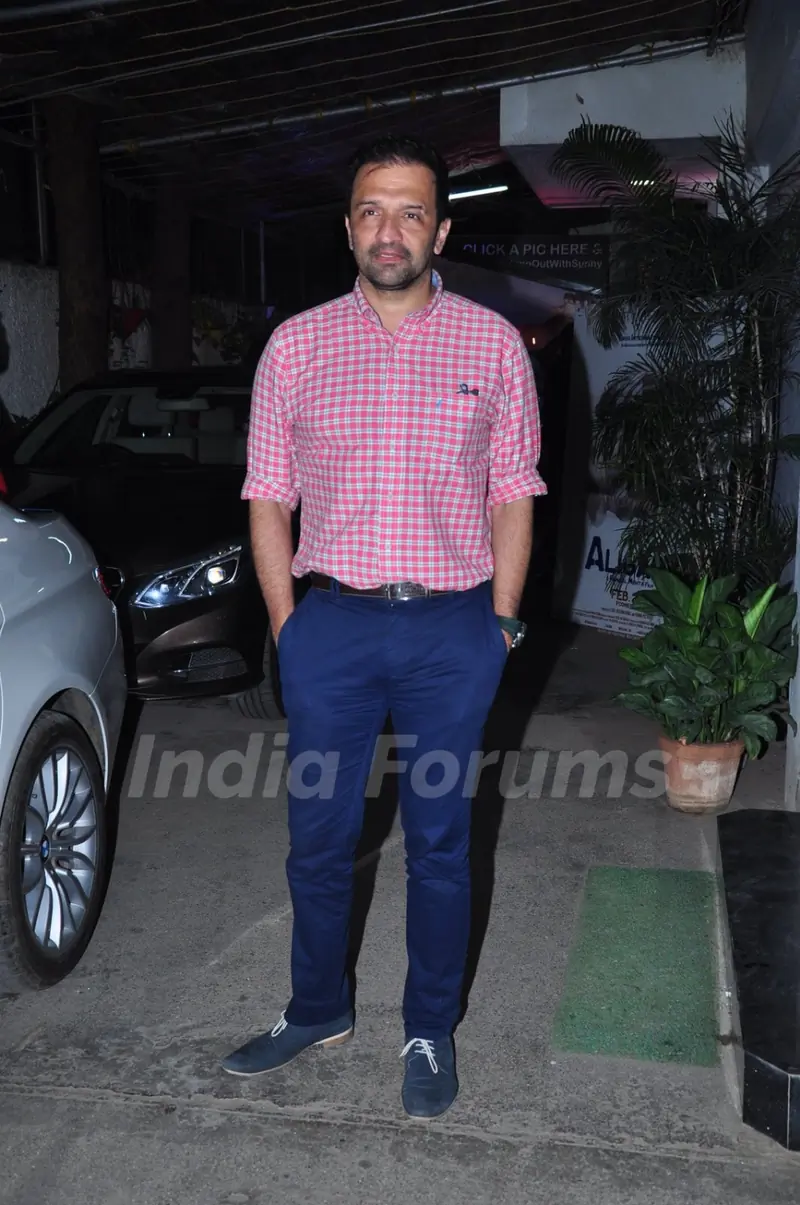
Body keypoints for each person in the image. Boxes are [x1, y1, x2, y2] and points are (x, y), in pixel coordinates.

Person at [222, 134, 547, 1118]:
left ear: (440, 229)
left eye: (410, 211)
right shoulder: (298, 344)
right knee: (317, 839)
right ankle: (316, 1007)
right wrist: (288, 626)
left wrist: (497, 623)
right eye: (371, 209)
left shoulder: (490, 343)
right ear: (348, 226)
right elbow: (267, 493)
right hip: (333, 629)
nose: (389, 229)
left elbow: (513, 490)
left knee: (440, 843)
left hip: (451, 632)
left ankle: (427, 1028)